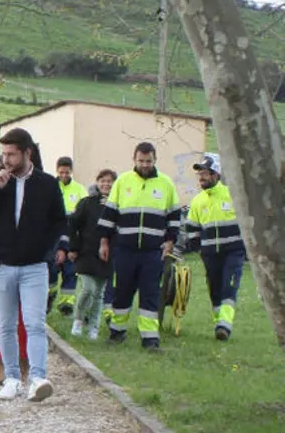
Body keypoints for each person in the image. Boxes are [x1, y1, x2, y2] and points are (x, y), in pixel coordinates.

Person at [0, 127, 68, 402]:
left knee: (35, 323)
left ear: (27, 153)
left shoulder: (47, 184)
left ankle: (38, 377)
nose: (5, 160)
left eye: (11, 154)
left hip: (34, 266)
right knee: (5, 324)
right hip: (2, 264)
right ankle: (12, 378)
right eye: (3, 154)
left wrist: (48, 250)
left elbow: (59, 221)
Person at [98, 142, 181, 351]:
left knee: (150, 293)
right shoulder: (122, 181)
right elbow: (109, 215)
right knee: (122, 291)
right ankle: (117, 332)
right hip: (125, 249)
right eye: (141, 161)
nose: (145, 165)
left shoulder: (166, 184)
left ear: (155, 160)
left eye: (148, 161)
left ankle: (150, 339)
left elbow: (174, 217)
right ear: (134, 159)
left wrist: (170, 241)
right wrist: (104, 242)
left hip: (153, 252)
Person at [185, 154, 244, 341]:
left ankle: (225, 324)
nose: (201, 177)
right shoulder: (197, 200)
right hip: (210, 254)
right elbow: (192, 228)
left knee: (229, 287)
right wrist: (199, 249)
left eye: (205, 173)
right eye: (200, 174)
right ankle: (220, 325)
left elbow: (247, 220)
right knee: (215, 290)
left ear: (216, 174)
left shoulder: (233, 194)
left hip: (234, 252)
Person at [68, 169, 117, 339]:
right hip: (86, 253)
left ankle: (93, 327)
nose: (106, 184)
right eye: (102, 180)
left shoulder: (118, 204)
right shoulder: (86, 203)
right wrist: (73, 248)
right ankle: (78, 320)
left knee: (99, 294)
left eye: (109, 181)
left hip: (107, 255)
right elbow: (73, 225)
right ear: (97, 182)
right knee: (87, 289)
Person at [48, 156, 87, 316]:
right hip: (53, 239)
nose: (64, 175)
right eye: (61, 172)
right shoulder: (50, 187)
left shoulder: (79, 190)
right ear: (57, 171)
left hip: (71, 238)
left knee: (70, 272)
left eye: (67, 172)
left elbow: (83, 216)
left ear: (71, 171)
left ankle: (66, 304)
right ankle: (48, 296)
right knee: (51, 271)